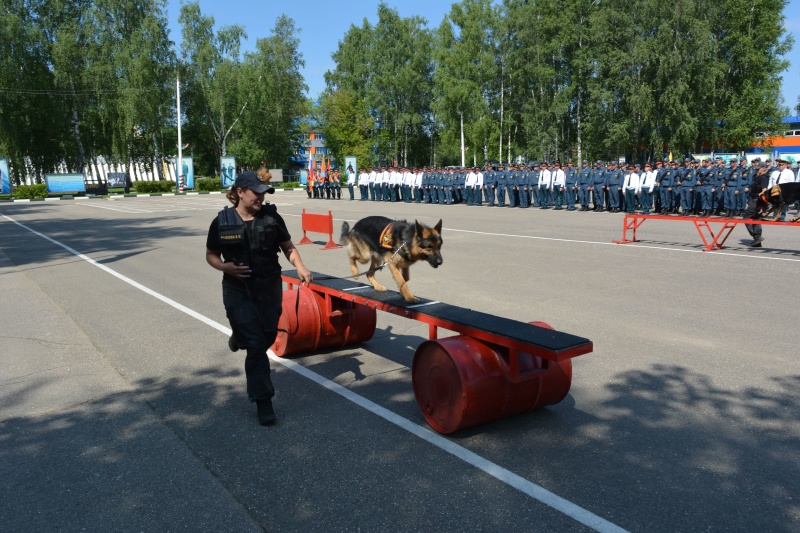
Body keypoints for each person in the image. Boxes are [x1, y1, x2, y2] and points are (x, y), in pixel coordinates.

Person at [205, 171, 313, 426]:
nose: (261, 197)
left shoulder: (272, 218)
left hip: (269, 287)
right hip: (238, 289)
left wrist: (300, 266)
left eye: (263, 193)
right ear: (239, 192)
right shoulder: (221, 221)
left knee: (265, 337)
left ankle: (240, 334)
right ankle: (263, 401)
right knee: (255, 347)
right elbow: (211, 254)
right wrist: (225, 268)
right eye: (256, 192)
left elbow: (287, 246)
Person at [744, 162, 770, 247]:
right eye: (755, 168)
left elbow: (764, 189)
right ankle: (757, 240)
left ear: (763, 169)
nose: (756, 170)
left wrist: (761, 194)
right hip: (755, 199)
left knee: (746, 218)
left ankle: (757, 237)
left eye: (758, 169)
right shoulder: (756, 176)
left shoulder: (764, 177)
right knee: (755, 218)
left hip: (757, 201)